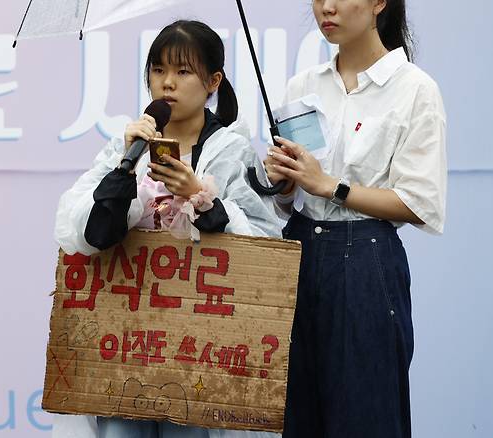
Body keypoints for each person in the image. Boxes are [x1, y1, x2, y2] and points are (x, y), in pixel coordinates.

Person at [54, 20, 280, 438]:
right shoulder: (129, 144)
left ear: (213, 81)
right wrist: (125, 166)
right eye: (158, 70)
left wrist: (200, 197)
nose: (167, 84)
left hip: (199, 348)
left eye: (182, 72)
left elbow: (264, 248)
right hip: (124, 340)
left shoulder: (231, 150)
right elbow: (85, 234)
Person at [263, 1, 447, 437]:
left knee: (366, 413)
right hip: (300, 255)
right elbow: (287, 203)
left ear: (379, 2)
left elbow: (420, 202)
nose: (326, 7)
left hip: (367, 260)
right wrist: (285, 183)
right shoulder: (302, 85)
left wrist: (331, 186)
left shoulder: (414, 88)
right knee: (294, 415)